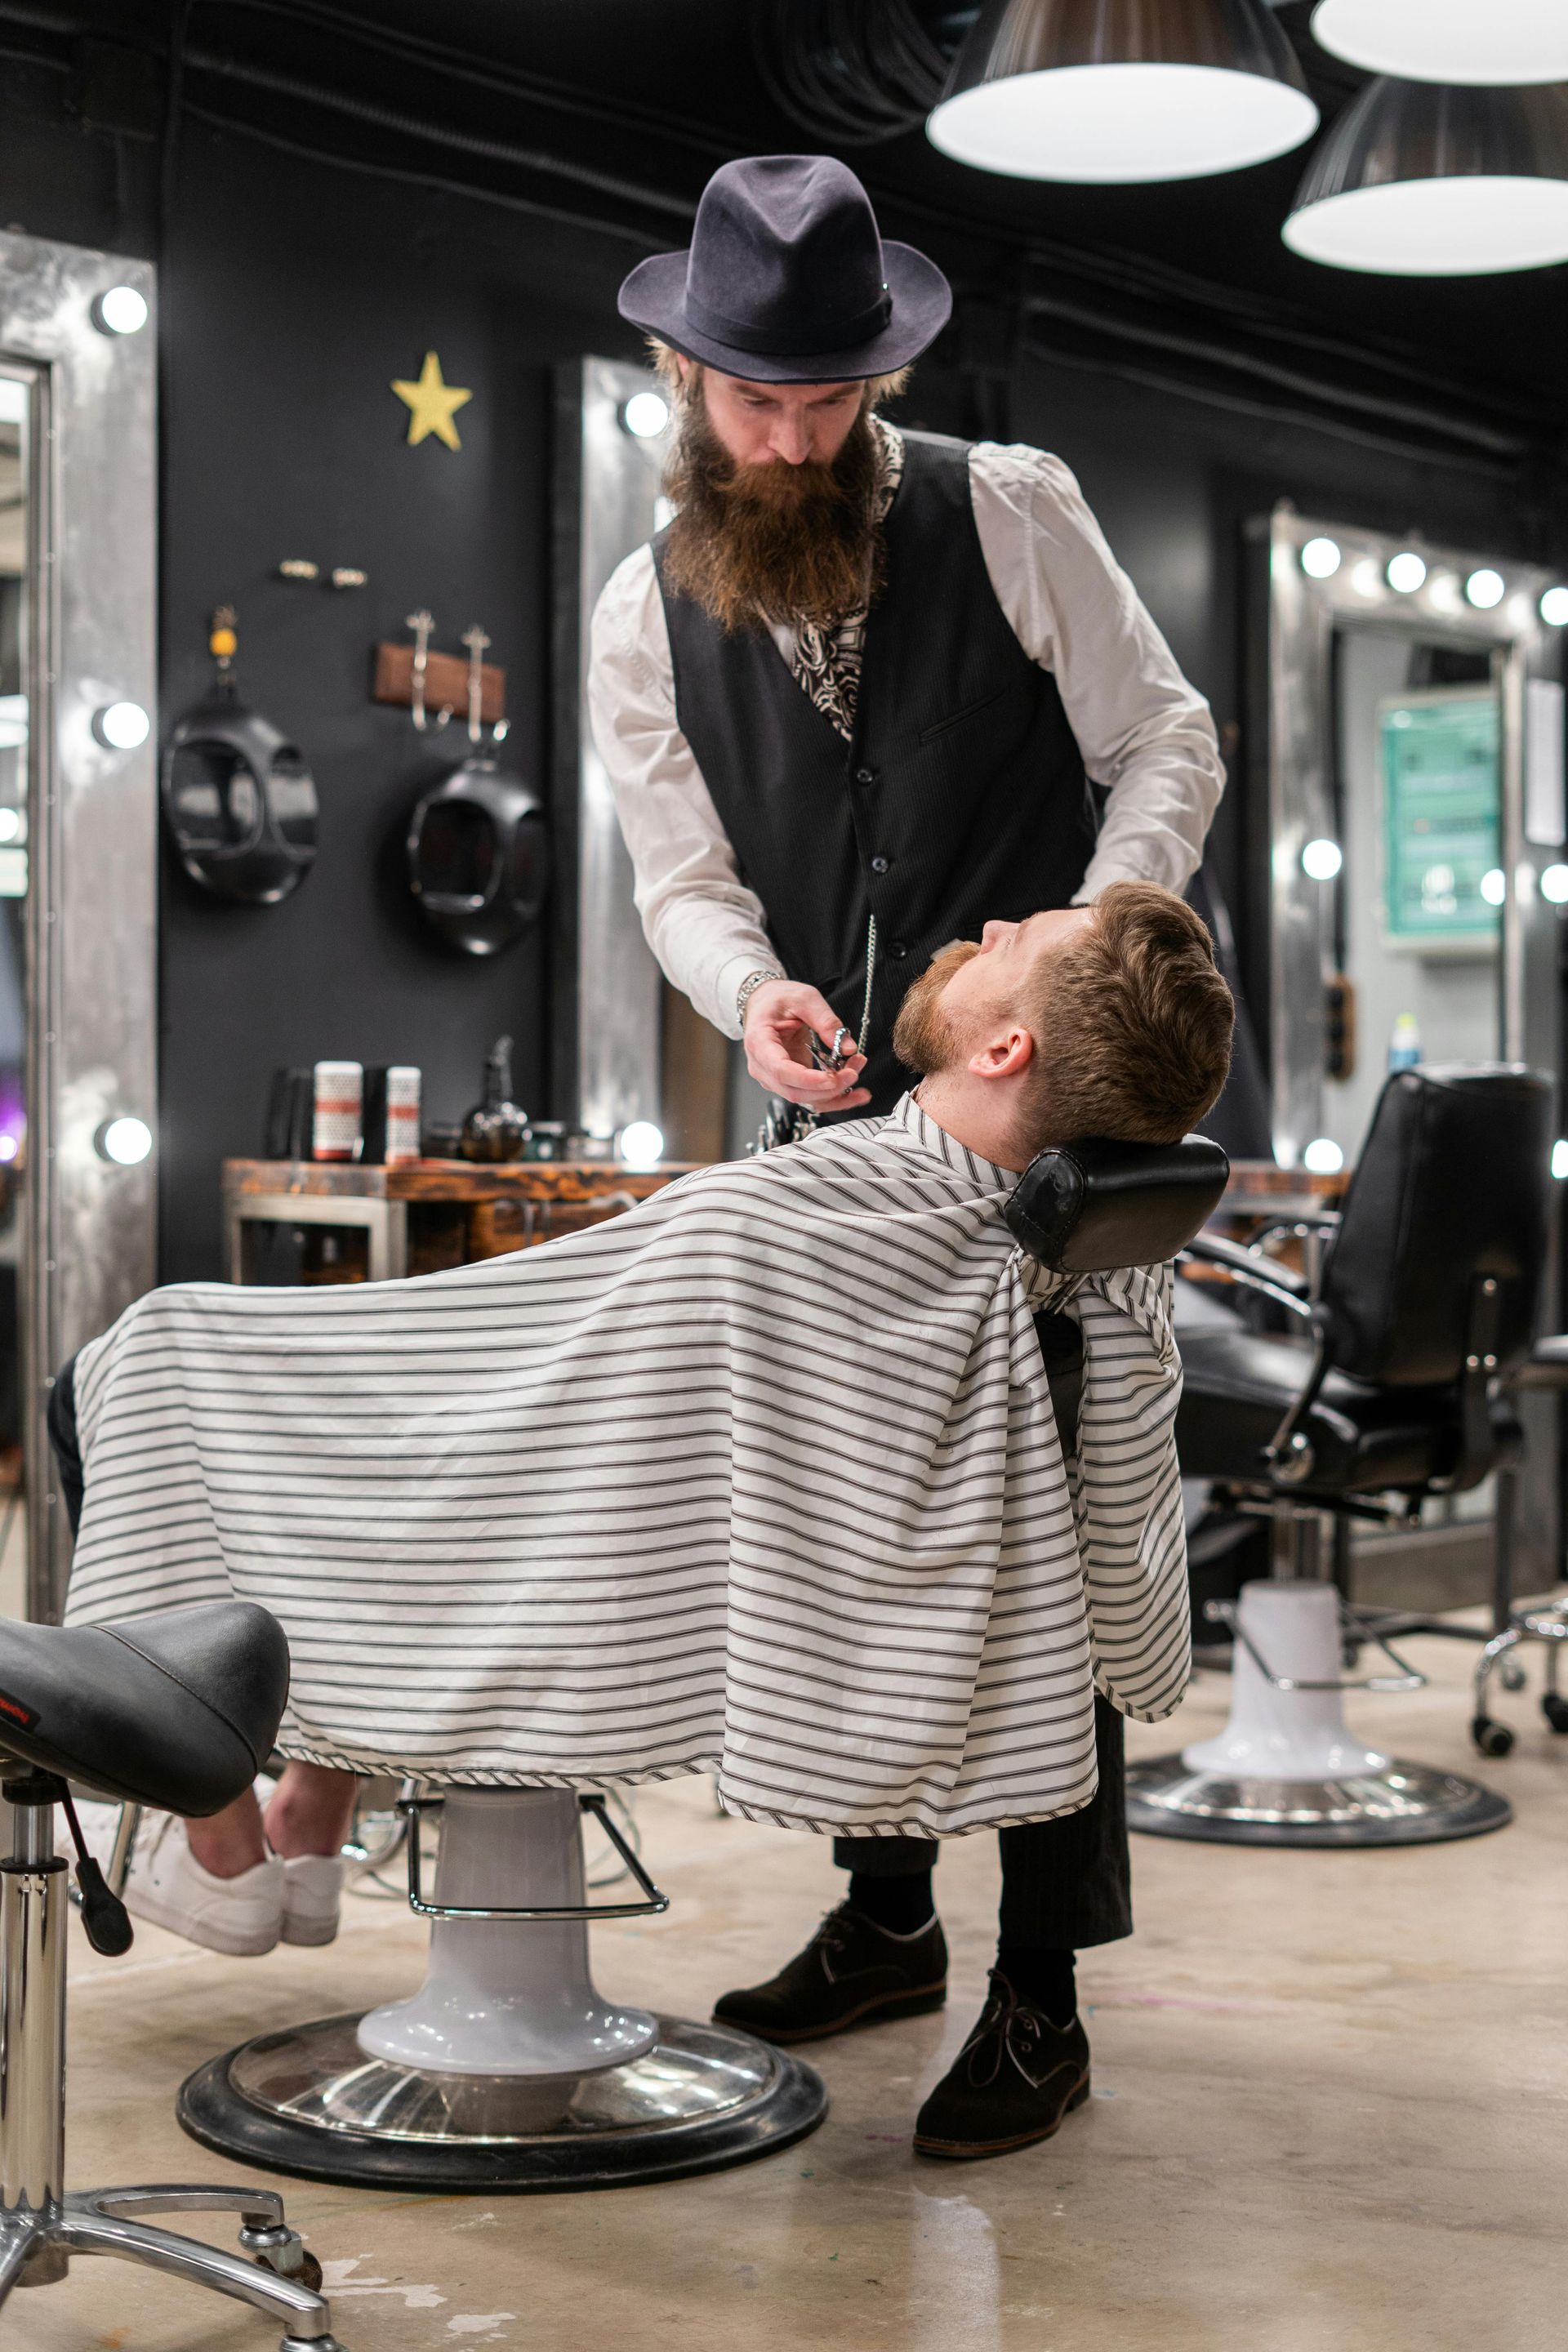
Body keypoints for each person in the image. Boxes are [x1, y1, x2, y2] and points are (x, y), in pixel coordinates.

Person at [55, 885, 1231, 2156]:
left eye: (1022, 940)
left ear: (1008, 1050)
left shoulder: (776, 1224)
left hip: (563, 1544)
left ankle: (228, 1812)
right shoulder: (1046, 1257)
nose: (991, 926)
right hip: (582, 1521)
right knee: (445, 1438)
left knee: (153, 1351)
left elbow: (536, 1381)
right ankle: (310, 1802)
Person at [590, 153, 1227, 2129]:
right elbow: (680, 881)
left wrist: (1103, 939)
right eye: (752, 401)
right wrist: (746, 996)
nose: (788, 443)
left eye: (825, 403)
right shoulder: (642, 610)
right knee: (856, 1533)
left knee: (1059, 1531)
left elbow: (1169, 743)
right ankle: (887, 1917)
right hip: (834, 1142)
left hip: (1053, 1120)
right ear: (687, 378)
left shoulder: (1007, 512)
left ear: (877, 382)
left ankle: (1041, 1988)